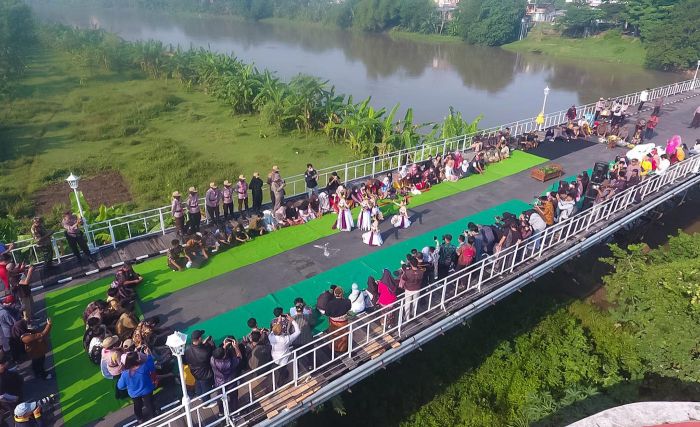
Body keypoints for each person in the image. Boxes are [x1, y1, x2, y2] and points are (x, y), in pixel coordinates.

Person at [117, 351, 156, 423]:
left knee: (137, 406)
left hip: (134, 394)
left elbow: (120, 386)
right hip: (147, 390)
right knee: (149, 403)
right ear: (136, 360)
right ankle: (153, 415)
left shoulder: (125, 374)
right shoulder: (144, 366)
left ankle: (139, 418)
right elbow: (152, 368)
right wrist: (149, 356)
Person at [210, 337, 242, 412]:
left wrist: (224, 346)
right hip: (230, 383)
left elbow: (220, 354)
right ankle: (235, 412)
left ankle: (221, 412)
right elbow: (239, 357)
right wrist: (236, 347)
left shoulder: (212, 360)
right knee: (233, 397)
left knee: (221, 398)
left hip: (219, 383)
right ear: (224, 355)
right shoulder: (228, 363)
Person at [268, 315, 301, 385]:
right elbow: (298, 332)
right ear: (281, 330)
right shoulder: (286, 339)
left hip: (274, 357)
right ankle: (280, 384)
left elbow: (273, 331)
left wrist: (278, 322)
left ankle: (285, 374)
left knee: (279, 369)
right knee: (282, 372)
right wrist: (293, 321)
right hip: (283, 359)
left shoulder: (270, 337)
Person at [185, 330, 216, 401]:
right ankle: (206, 403)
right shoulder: (205, 352)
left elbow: (185, 361)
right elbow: (213, 355)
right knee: (206, 388)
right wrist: (211, 345)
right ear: (199, 338)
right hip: (205, 374)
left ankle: (199, 394)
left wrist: (203, 344)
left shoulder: (187, 348)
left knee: (198, 383)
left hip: (194, 371)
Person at [325, 287, 351, 353]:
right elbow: (349, 308)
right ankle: (343, 349)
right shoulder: (347, 301)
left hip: (333, 322)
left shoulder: (329, 304)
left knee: (334, 335)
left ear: (334, 293)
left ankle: (334, 348)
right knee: (343, 336)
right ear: (342, 294)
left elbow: (327, 313)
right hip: (343, 322)